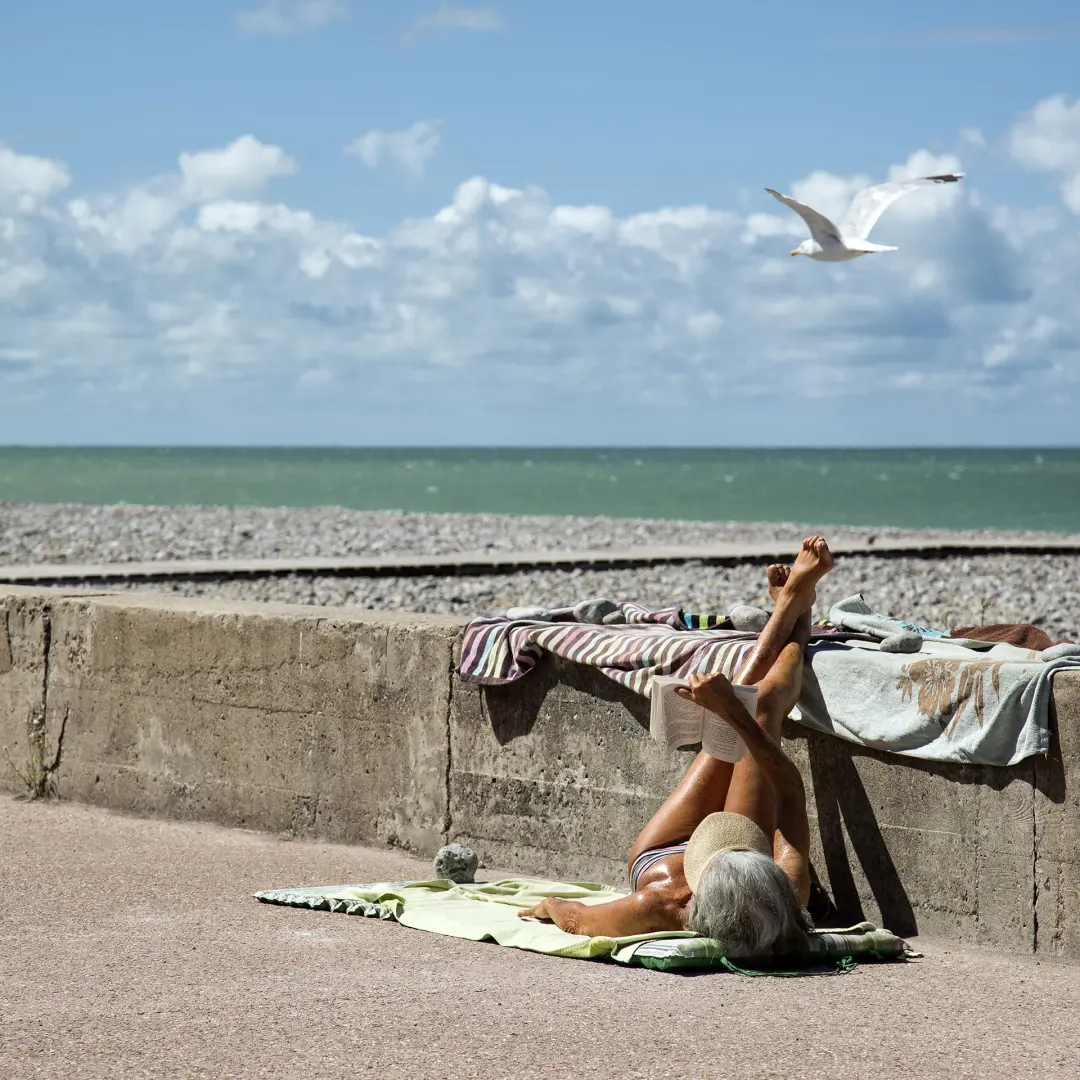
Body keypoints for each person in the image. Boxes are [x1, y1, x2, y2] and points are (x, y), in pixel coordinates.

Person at [517, 535, 834, 955]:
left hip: (660, 854)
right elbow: (791, 789)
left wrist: (549, 906)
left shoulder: (660, 903)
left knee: (742, 708)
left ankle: (789, 605)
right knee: (763, 707)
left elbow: (575, 918)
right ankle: (797, 609)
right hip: (744, 863)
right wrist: (730, 712)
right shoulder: (789, 895)